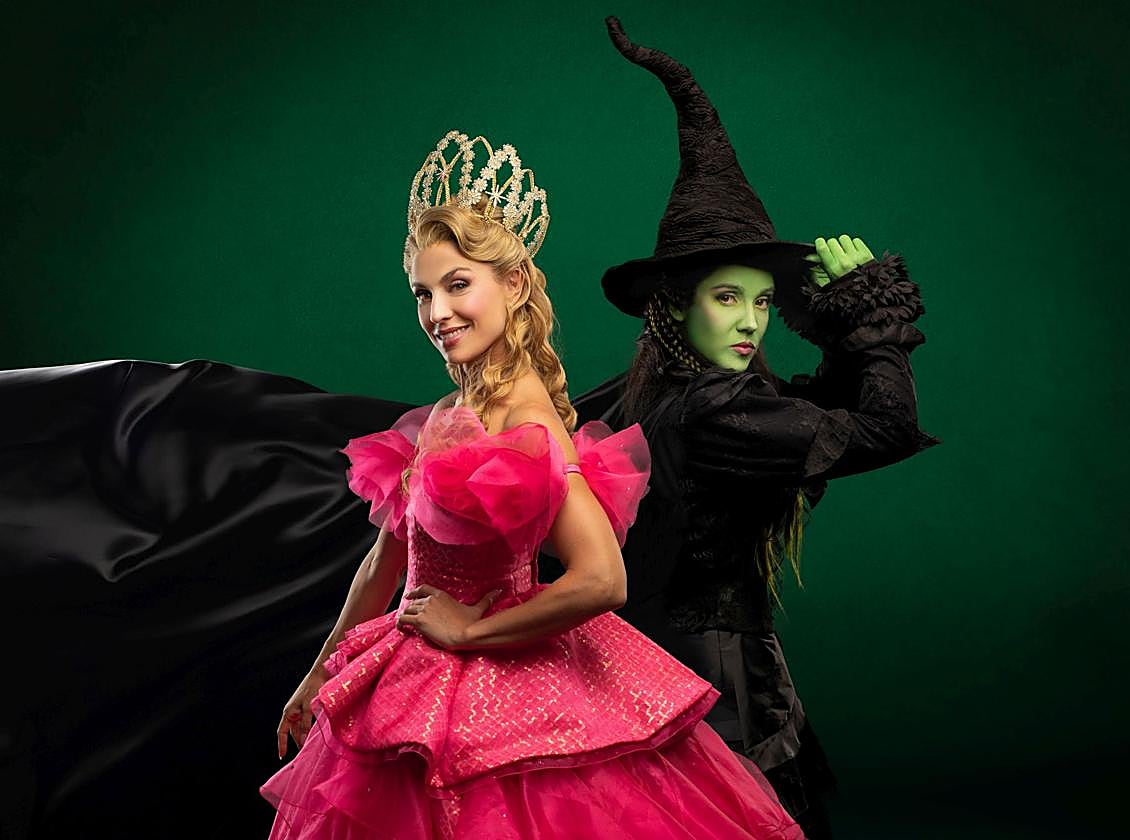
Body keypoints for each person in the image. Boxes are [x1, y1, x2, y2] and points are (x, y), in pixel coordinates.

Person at [260, 130, 803, 839]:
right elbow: (386, 559)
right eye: (423, 293)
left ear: (513, 285)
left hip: (495, 674)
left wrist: (470, 630)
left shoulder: (527, 419)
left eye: (458, 285)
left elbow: (602, 578)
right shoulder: (449, 411)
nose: (437, 312)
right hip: (412, 670)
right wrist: (319, 672)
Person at [560, 20, 941, 840]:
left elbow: (812, 420)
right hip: (715, 693)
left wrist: (838, 331)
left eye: (763, 301)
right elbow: (883, 428)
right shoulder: (715, 407)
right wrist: (871, 321)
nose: (751, 322)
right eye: (727, 298)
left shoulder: (642, 397)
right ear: (675, 306)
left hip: (640, 671)